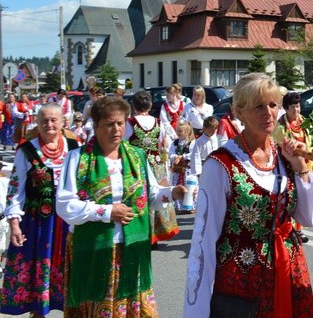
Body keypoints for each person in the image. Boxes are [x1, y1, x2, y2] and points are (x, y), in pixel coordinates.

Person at [183, 73, 313, 317]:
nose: (268, 113)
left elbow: (309, 218)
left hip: (289, 271)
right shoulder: (221, 164)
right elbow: (204, 242)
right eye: (258, 106)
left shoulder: (285, 155)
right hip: (243, 286)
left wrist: (301, 168)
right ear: (239, 112)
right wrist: (196, 310)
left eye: (273, 105)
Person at [56, 95, 186, 316]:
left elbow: (151, 196)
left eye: (120, 123)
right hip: (97, 248)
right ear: (95, 126)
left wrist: (171, 193)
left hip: (132, 246)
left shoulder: (137, 156)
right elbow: (65, 205)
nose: (116, 129)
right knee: (101, 308)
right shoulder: (77, 158)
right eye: (109, 124)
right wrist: (107, 212)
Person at [0, 103, 77, 316]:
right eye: (44, 120)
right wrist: (14, 223)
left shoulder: (74, 146)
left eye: (54, 120)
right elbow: (15, 188)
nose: (49, 124)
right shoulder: (26, 150)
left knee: (71, 269)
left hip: (69, 219)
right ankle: (38, 312)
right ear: (37, 123)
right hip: (37, 223)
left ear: (63, 122)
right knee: (37, 271)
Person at [124, 90, 180, 246]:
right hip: (156, 164)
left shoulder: (130, 123)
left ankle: (143, 233)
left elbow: (125, 144)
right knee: (157, 196)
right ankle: (156, 233)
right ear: (149, 105)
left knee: (141, 197)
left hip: (137, 165)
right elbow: (165, 144)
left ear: (134, 105)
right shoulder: (158, 123)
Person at [273, 91, 311, 243]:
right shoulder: (280, 127)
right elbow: (282, 147)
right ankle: (289, 228)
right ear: (286, 109)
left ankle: (299, 229)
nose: (296, 110)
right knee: (291, 199)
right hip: (287, 168)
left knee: (303, 198)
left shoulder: (304, 122)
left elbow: (311, 142)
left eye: (298, 106)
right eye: (293, 107)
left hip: (305, 165)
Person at [169, 121, 196, 214]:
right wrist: (175, 157)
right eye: (178, 131)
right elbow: (171, 153)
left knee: (189, 186)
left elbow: (193, 154)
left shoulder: (192, 143)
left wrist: (182, 156)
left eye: (181, 131)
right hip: (178, 169)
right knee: (178, 185)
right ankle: (179, 206)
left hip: (187, 170)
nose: (178, 133)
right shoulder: (175, 143)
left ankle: (190, 206)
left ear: (187, 132)